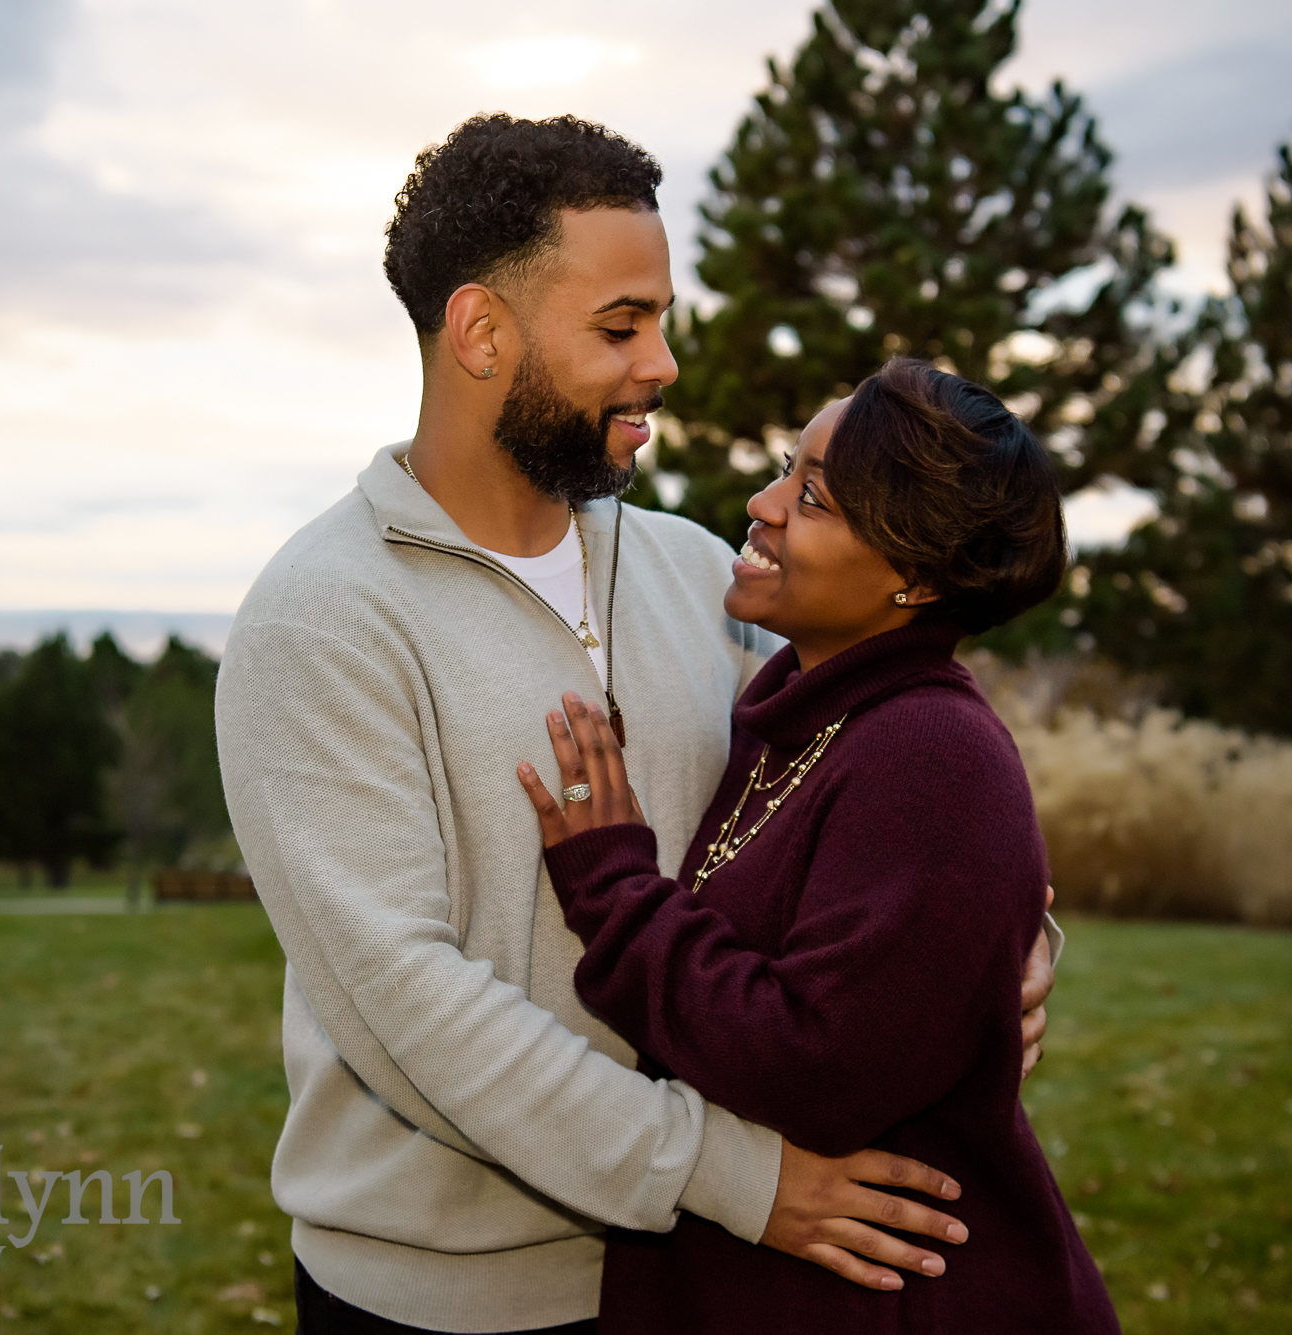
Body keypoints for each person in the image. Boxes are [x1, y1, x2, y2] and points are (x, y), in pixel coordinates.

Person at [216, 114, 1058, 1335]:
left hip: (703, 1290)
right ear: (480, 331)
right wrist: (738, 1179)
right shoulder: (321, 622)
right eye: (620, 327)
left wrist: (1008, 941)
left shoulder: (695, 574)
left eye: (661, 318)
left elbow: (883, 784)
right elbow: (412, 1011)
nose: (661, 363)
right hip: (456, 1303)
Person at [518, 359, 1116, 1332]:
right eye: (782, 469)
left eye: (812, 497)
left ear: (915, 576)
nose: (760, 506)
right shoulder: (793, 710)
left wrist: (613, 889)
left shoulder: (931, 754)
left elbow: (814, 1067)